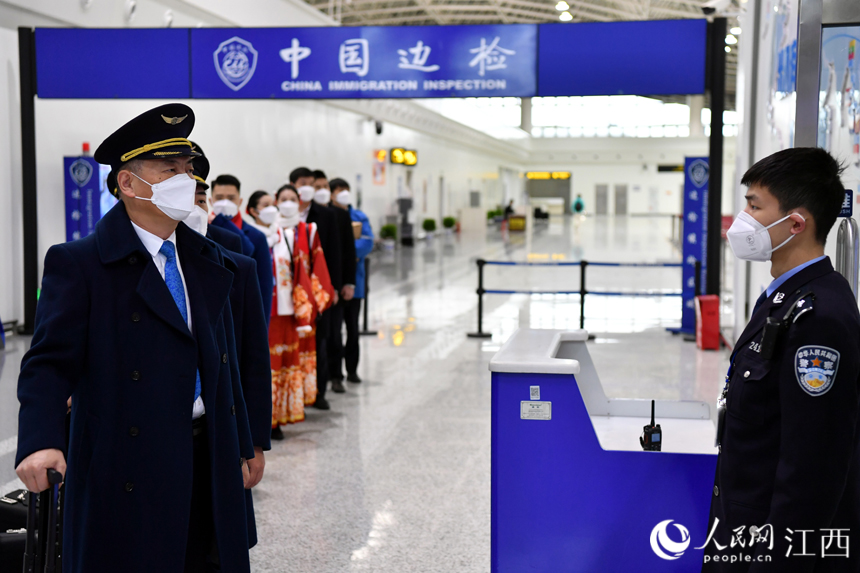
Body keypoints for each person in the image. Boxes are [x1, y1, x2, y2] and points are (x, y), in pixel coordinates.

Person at [15, 103, 255, 571]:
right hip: (126, 464)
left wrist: (247, 442)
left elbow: (226, 362)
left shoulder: (207, 262)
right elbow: (47, 362)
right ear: (128, 183)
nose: (187, 180)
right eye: (170, 169)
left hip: (208, 453)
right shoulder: (81, 264)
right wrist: (40, 439)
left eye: (188, 168)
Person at [704, 147, 860, 571]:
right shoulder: (783, 298)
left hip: (772, 550)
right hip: (743, 531)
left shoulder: (819, 317)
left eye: (755, 206)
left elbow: (812, 469)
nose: (744, 219)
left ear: (795, 224)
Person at [269, 185, 335, 438]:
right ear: (276, 201)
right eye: (282, 199)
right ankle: (270, 417)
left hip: (298, 309)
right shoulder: (267, 230)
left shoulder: (308, 230)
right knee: (272, 363)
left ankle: (286, 413)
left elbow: (318, 267)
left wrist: (313, 301)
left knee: (291, 362)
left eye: (292, 199)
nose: (287, 203)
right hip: (274, 306)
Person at [290, 167, 340, 410]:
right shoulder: (284, 215)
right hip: (293, 290)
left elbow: (334, 253)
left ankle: (319, 391)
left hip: (318, 287)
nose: (308, 187)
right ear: (292, 184)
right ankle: (297, 391)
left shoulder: (326, 216)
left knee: (320, 340)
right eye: (303, 183)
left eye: (312, 183)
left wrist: (335, 287)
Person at [313, 170, 357, 394]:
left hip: (334, 284)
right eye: (316, 186)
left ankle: (336, 376)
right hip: (313, 286)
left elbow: (346, 252)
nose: (321, 191)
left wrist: (345, 283)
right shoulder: (310, 215)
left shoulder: (339, 215)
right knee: (320, 336)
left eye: (324, 187)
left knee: (334, 333)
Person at [210, 174, 274, 323]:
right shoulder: (203, 231)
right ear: (210, 200)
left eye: (231, 198)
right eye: (219, 198)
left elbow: (264, 287)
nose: (225, 202)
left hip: (242, 314)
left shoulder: (256, 237)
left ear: (240, 201)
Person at [330, 178, 373, 384]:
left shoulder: (359, 216)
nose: (344, 194)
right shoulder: (328, 216)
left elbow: (367, 242)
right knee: (335, 331)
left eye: (346, 190)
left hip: (356, 282)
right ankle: (335, 373)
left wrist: (346, 253)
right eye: (339, 191)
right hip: (335, 284)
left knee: (353, 330)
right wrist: (346, 251)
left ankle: (353, 370)